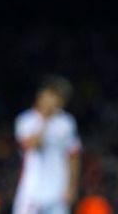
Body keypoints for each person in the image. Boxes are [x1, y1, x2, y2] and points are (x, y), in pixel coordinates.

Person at [13, 76, 81, 214]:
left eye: (59, 98)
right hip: (31, 191)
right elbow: (33, 145)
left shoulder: (66, 123)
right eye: (52, 96)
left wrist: (72, 186)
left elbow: (73, 155)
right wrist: (45, 120)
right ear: (41, 95)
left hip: (57, 192)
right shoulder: (26, 120)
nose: (54, 101)